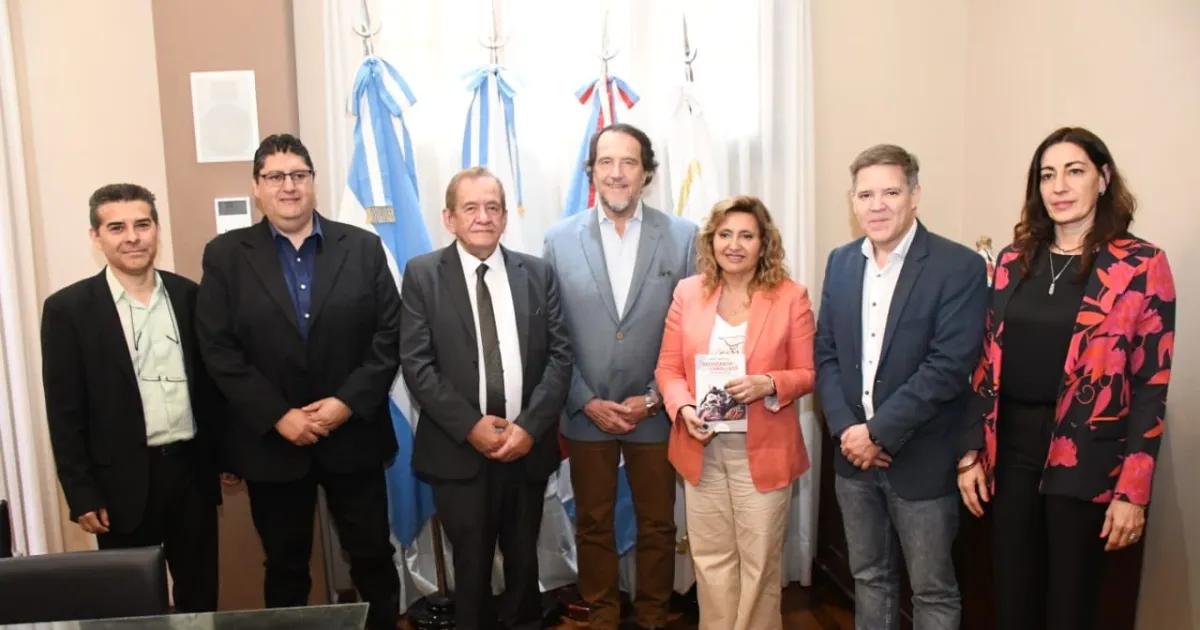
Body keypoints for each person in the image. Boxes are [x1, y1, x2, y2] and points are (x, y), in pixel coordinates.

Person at [957, 127, 1176, 630]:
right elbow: (985, 362)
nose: (1058, 187)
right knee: (1012, 598)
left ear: (1103, 178)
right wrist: (970, 452)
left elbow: (1152, 385)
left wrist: (1133, 492)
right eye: (1047, 175)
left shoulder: (1141, 265)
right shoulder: (1013, 260)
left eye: (1074, 172)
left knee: (1070, 606)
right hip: (1011, 450)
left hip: (1088, 454)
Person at [195, 134, 402, 630]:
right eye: (275, 177)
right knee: (286, 568)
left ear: (313, 182)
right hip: (274, 444)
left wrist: (346, 403)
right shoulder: (225, 255)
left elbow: (390, 335)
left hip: (353, 435)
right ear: (257, 187)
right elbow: (218, 349)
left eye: (298, 175)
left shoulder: (363, 247)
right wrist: (277, 415)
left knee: (372, 557)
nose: (288, 186)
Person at [815, 144, 988, 630]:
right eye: (865, 194)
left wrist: (878, 433)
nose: (877, 205)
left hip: (922, 457)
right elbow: (826, 353)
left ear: (915, 195)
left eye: (890, 192)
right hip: (852, 459)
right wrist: (849, 432)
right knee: (869, 577)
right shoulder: (841, 262)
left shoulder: (958, 266)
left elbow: (948, 366)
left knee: (932, 591)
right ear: (852, 201)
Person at [41, 183, 230, 612]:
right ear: (96, 237)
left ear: (156, 229)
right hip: (118, 483)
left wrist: (225, 456)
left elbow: (212, 386)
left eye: (142, 225)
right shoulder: (68, 310)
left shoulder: (190, 296)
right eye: (117, 227)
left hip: (191, 473)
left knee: (200, 596)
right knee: (130, 605)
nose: (132, 237)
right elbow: (64, 412)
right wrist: (81, 492)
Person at [400, 167, 572, 629]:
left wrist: (529, 427)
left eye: (492, 207)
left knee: (524, 564)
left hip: (525, 448)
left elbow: (560, 357)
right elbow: (416, 363)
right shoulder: (422, 275)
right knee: (471, 569)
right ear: (449, 218)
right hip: (458, 451)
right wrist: (470, 426)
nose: (483, 217)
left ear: (505, 217)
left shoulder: (537, 273)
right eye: (471, 207)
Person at [542, 122, 697, 630]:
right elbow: (551, 330)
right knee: (592, 523)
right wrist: (584, 399)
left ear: (646, 173)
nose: (616, 173)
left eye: (629, 162)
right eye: (606, 162)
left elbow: (693, 330)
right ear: (591, 171)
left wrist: (653, 398)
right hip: (586, 411)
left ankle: (652, 614)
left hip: (656, 411)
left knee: (658, 523)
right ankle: (603, 616)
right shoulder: (558, 239)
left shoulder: (683, 236)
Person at [654, 196, 815, 630]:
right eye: (725, 234)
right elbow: (667, 369)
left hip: (763, 449)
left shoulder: (790, 296)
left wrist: (769, 383)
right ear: (711, 241)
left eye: (747, 235)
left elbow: (807, 373)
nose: (734, 245)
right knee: (711, 560)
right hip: (701, 446)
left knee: (759, 563)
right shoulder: (688, 293)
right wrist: (683, 407)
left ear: (764, 244)